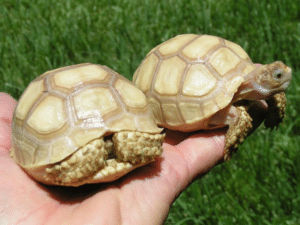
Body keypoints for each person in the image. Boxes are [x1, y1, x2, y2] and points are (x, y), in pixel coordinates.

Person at [0, 92, 228, 224]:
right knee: (95, 150)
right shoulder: (88, 152)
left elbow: (144, 142)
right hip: (64, 152)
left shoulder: (125, 141)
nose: (106, 146)